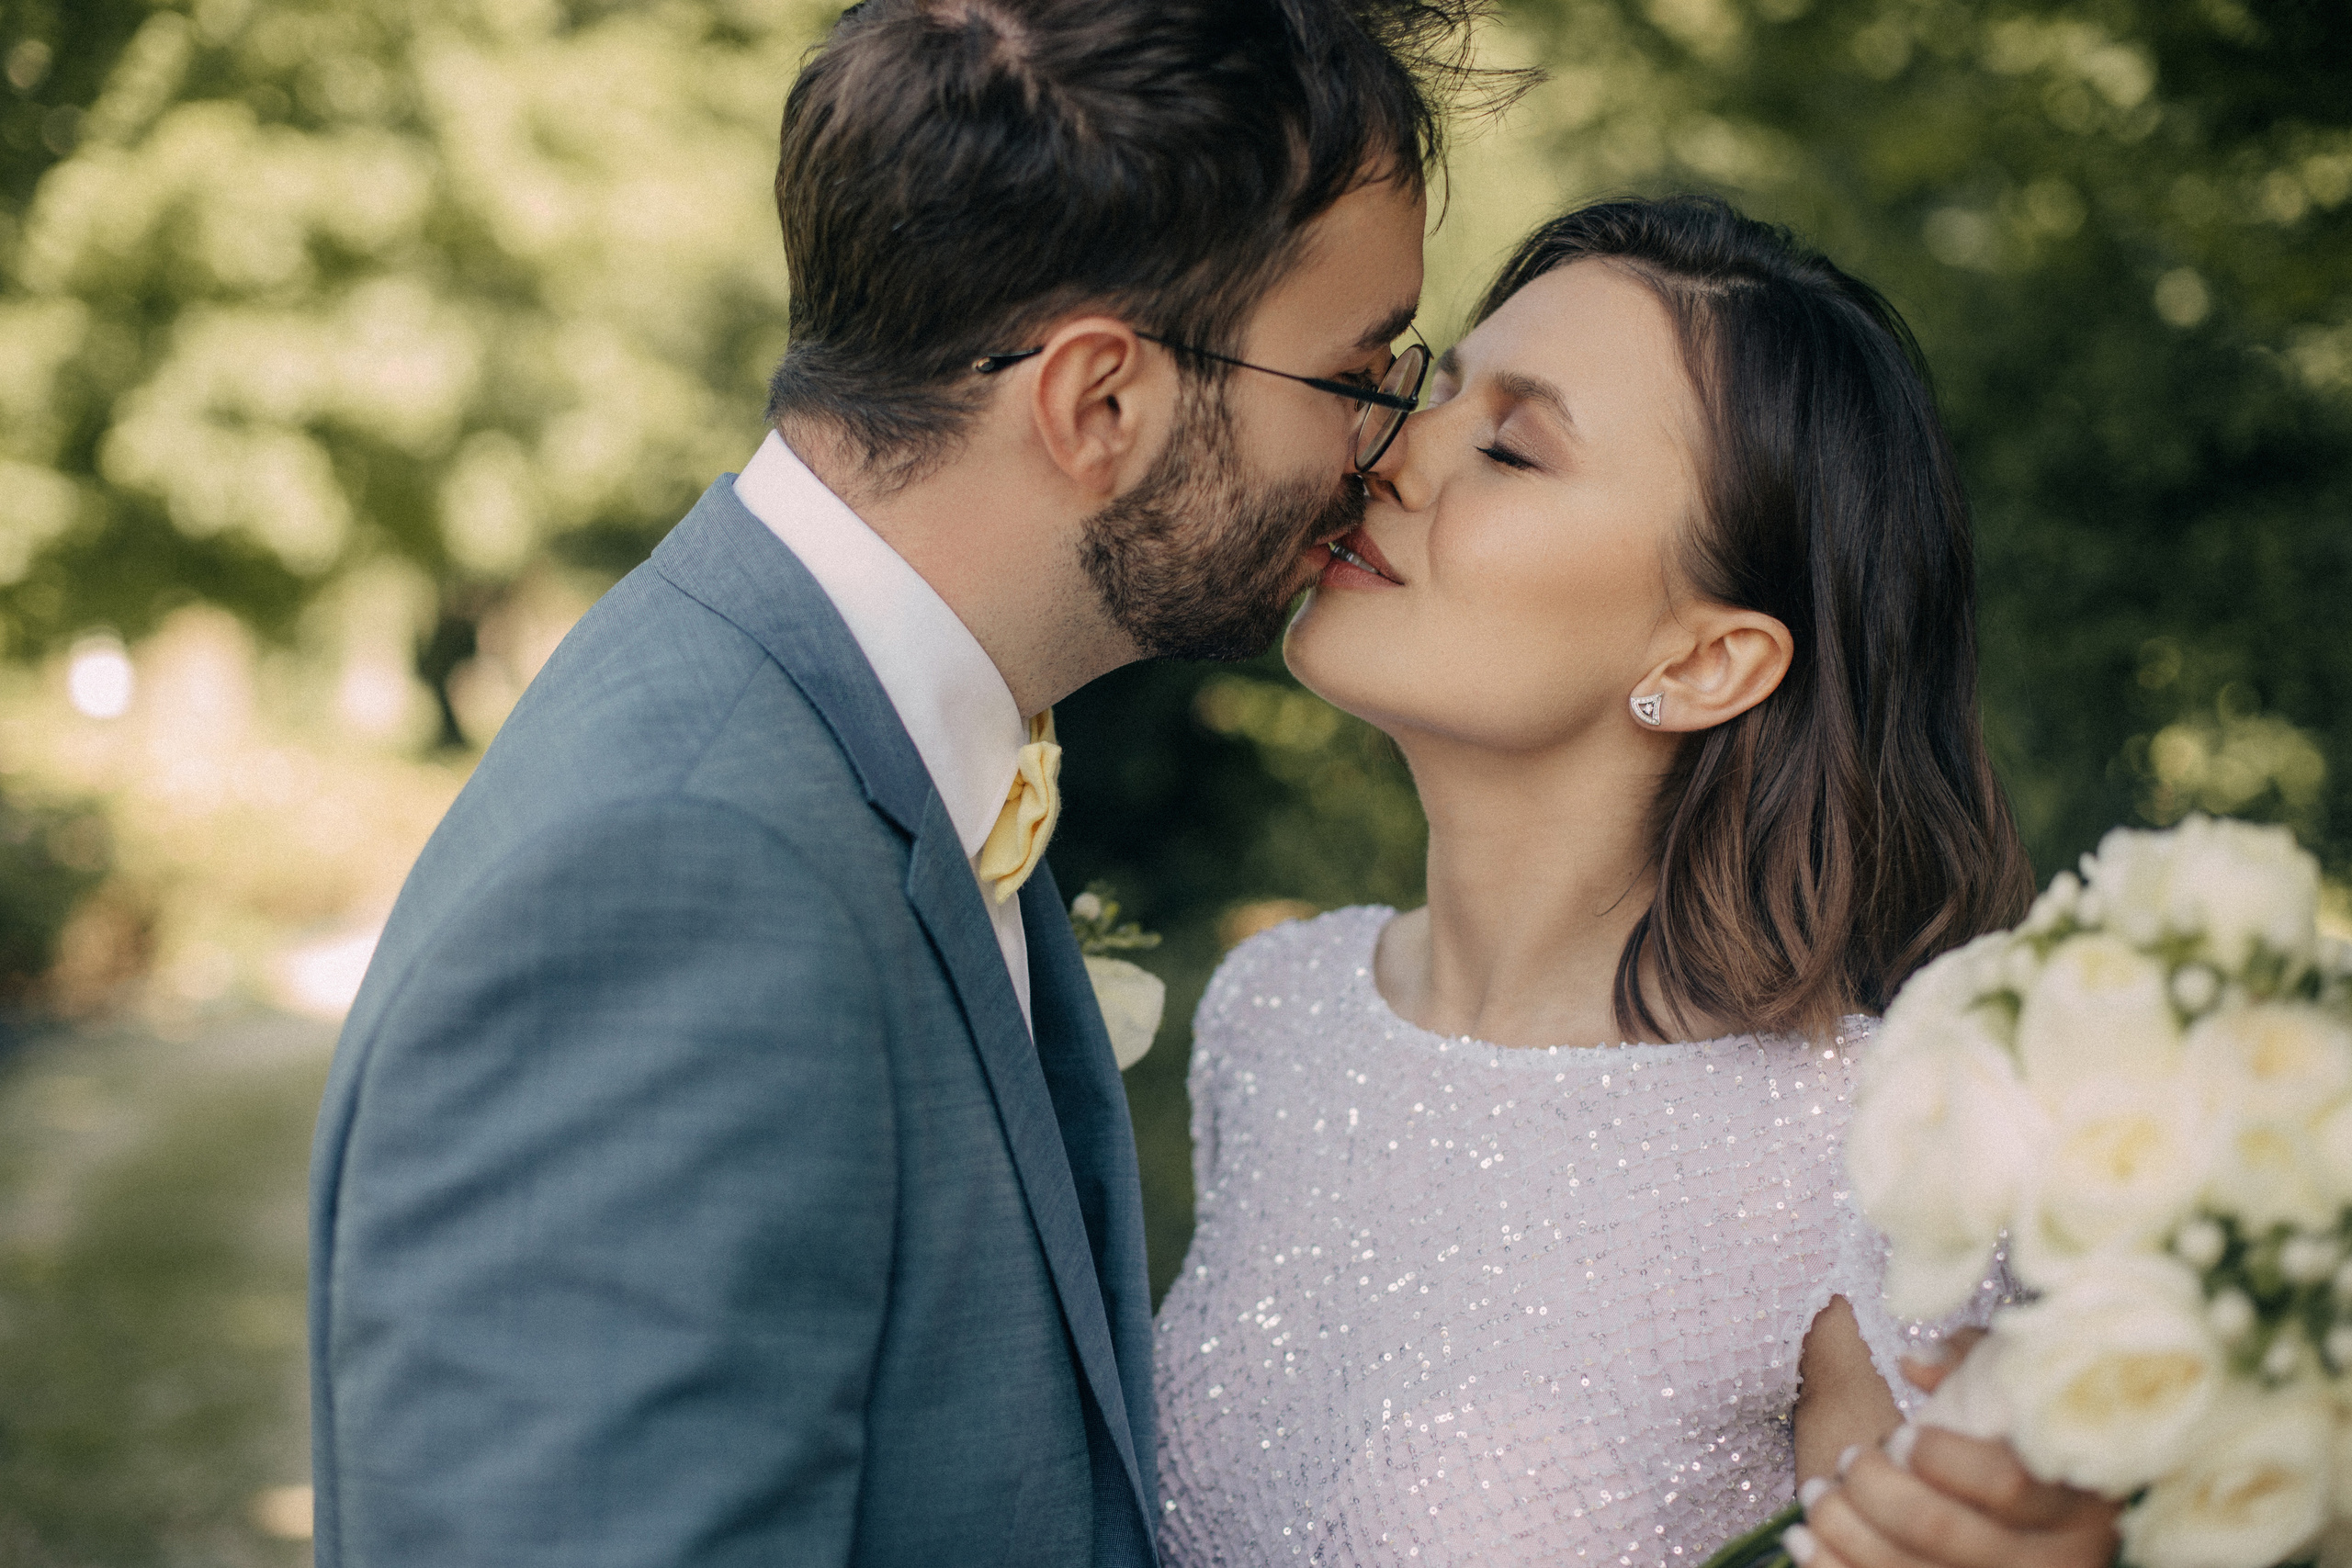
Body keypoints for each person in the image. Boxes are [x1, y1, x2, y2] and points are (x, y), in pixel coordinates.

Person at [303, 0, 1498, 1562]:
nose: (1386, 447)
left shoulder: (857, 742)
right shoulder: (685, 878)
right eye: (1355, 375)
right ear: (1099, 403)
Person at [1150, 196, 2125, 1568]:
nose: (1390, 451)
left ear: (1705, 662)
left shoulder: (1871, 1157)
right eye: (1434, 391)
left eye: (1510, 447)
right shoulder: (1274, 1012)